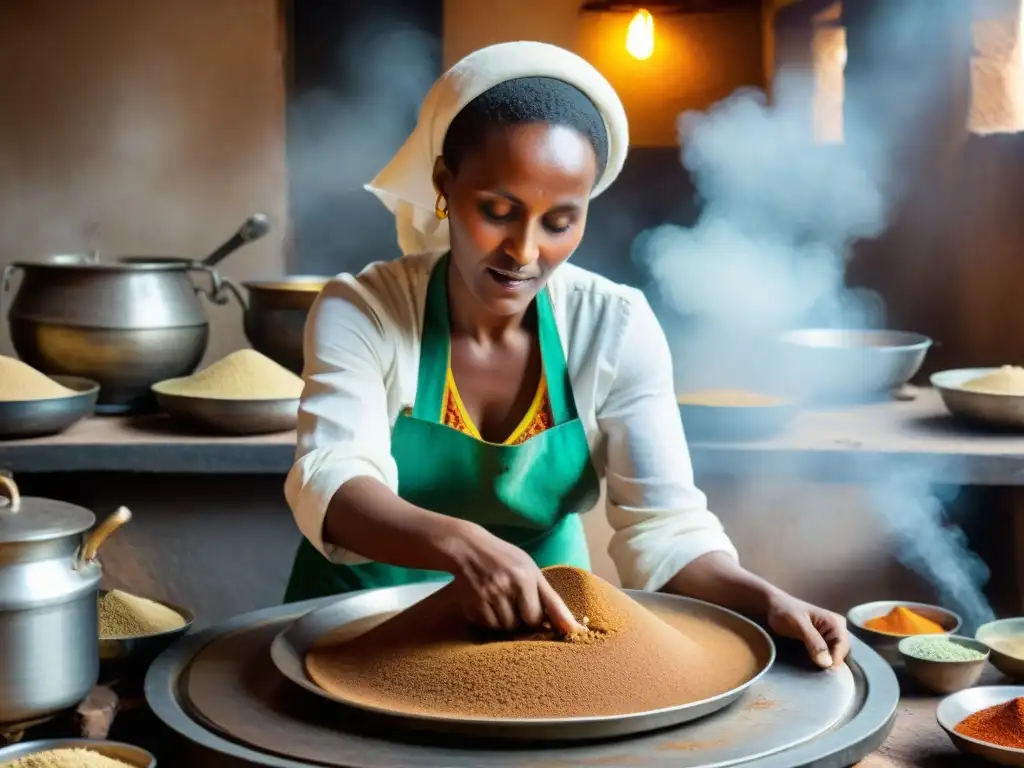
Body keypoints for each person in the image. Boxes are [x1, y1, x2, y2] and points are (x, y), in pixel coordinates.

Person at [283, 41, 849, 669]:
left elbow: (663, 528)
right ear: (445, 185)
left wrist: (764, 600)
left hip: (546, 633)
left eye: (559, 222)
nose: (523, 251)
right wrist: (464, 545)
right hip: (363, 630)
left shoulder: (615, 326)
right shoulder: (363, 309)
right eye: (497, 211)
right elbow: (331, 479)